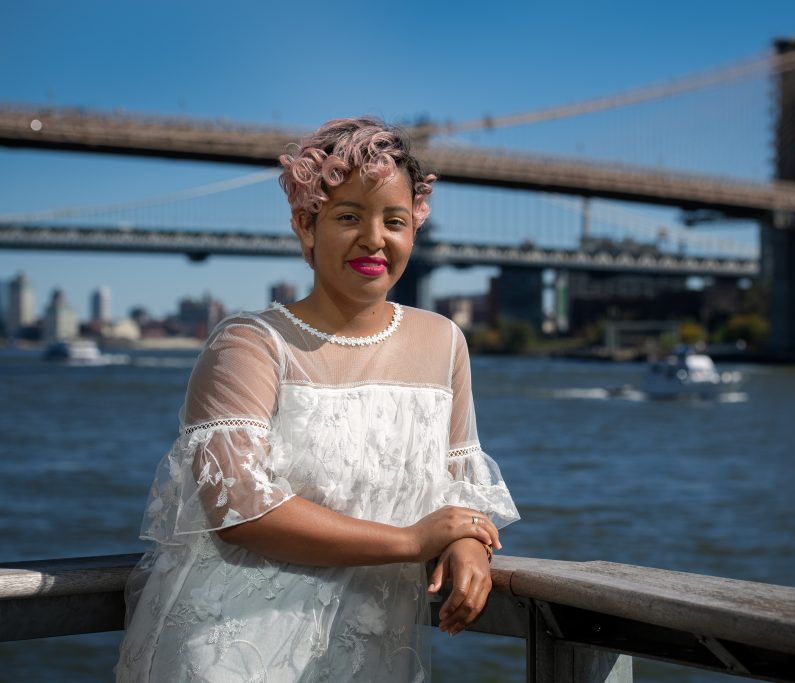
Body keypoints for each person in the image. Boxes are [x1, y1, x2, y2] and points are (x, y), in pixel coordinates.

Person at [115, 118, 519, 682]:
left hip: (373, 647)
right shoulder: (249, 344)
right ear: (307, 226)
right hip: (234, 649)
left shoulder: (443, 341)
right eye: (349, 216)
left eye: (394, 221)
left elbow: (459, 484)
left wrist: (471, 545)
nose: (375, 239)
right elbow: (239, 509)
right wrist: (412, 542)